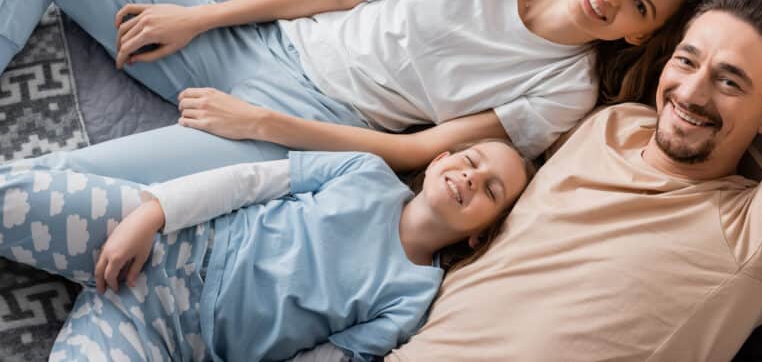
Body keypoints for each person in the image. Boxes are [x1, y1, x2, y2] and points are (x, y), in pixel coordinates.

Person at [0, 0, 714, 184]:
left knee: (58, 187)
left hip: (308, 127)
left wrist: (265, 122)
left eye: (639, 5)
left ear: (639, 34)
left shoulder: (566, 89)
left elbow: (416, 150)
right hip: (262, 43)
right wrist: (200, 17)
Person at [380, 0, 762, 362]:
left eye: (729, 82)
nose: (691, 93)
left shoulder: (757, 230)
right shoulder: (616, 124)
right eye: (687, 61)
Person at [0, 139, 533, 361]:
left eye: (491, 190)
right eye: (471, 159)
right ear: (442, 156)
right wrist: (152, 214)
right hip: (167, 238)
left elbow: (324, 359)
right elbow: (248, 181)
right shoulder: (365, 171)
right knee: (14, 195)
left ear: (480, 235)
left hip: (172, 336)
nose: (471, 176)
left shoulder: (415, 295)